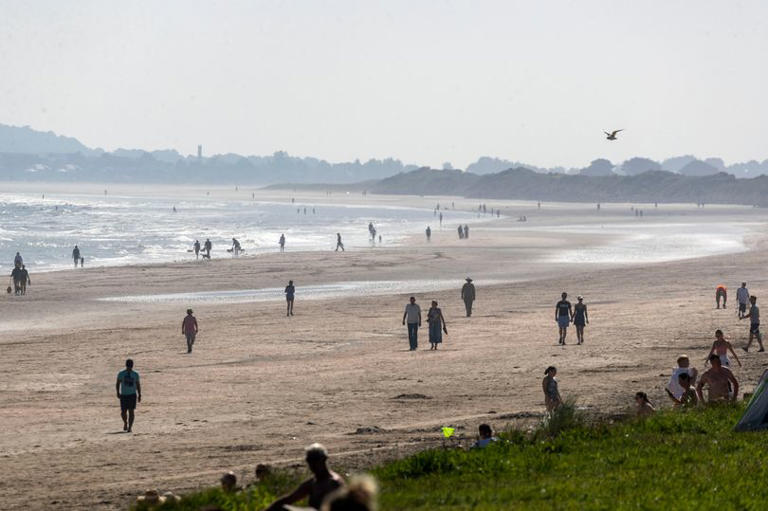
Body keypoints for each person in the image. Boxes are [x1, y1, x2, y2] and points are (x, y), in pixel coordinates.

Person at [266, 443, 344, 511]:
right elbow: (289, 499)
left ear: (324, 460)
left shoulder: (333, 483)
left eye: (316, 460)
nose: (313, 465)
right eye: (310, 461)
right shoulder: (312, 483)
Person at [116, 359, 141, 432]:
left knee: (131, 411)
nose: (130, 367)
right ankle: (125, 422)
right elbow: (118, 383)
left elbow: (138, 384)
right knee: (123, 412)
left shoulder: (135, 374)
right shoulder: (121, 373)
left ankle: (130, 427)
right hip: (124, 395)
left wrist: (139, 394)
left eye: (130, 366)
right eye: (128, 366)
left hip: (132, 395)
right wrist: (118, 392)